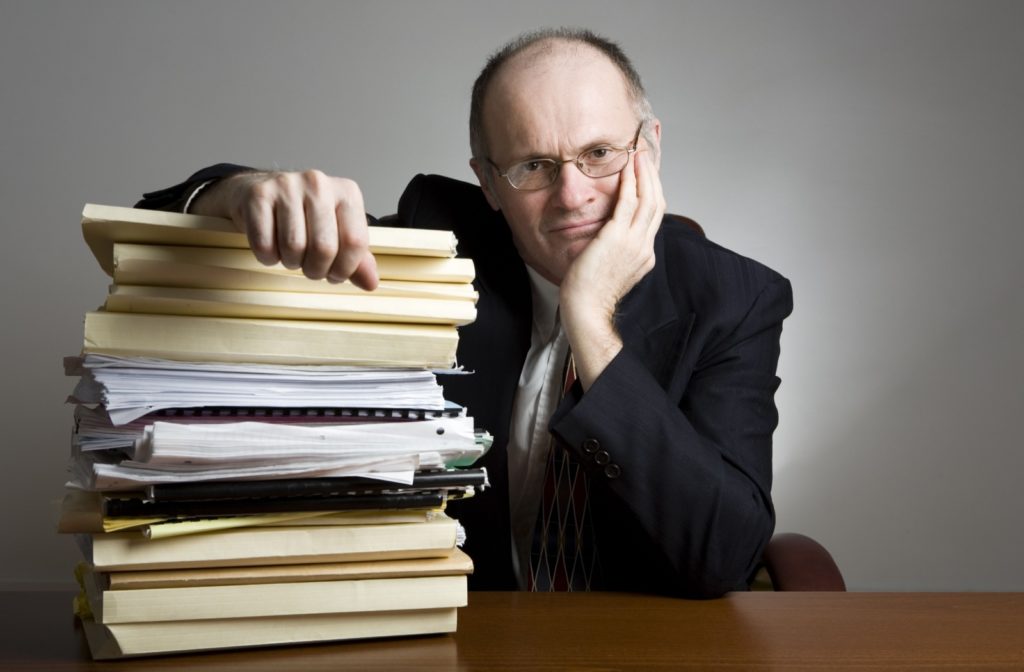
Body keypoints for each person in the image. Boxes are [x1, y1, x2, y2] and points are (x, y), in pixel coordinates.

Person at [136, 28, 793, 598]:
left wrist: (590, 322)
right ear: (488, 182)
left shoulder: (734, 300)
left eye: (599, 154)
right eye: (534, 165)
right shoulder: (439, 244)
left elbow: (723, 556)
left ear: (648, 148)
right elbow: (149, 237)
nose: (572, 196)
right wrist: (236, 192)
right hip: (456, 635)